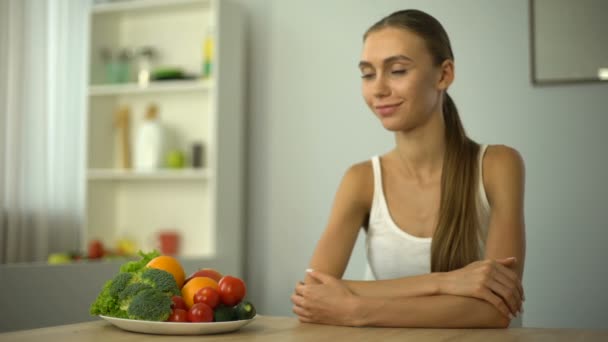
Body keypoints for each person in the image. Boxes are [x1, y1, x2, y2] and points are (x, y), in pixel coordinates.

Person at [290, 9, 526, 328]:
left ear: (444, 75)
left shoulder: (498, 165)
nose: (378, 89)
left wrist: (356, 309)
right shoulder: (361, 180)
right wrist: (442, 283)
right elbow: (311, 294)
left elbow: (495, 310)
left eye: (397, 70)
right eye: (367, 73)